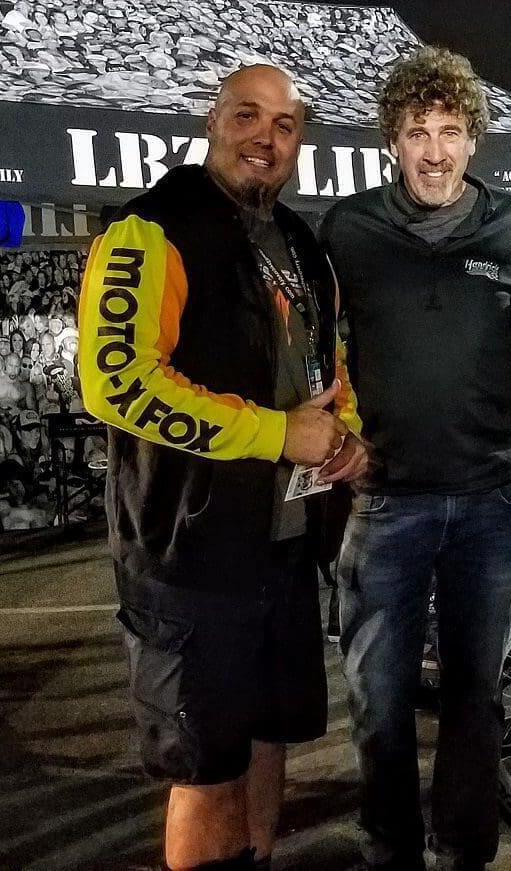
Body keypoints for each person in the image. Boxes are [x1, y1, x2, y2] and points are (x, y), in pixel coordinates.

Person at [78, 64, 365, 871]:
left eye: (285, 124)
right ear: (213, 122)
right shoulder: (150, 229)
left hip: (282, 543)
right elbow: (117, 381)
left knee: (267, 737)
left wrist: (345, 435)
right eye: (248, 115)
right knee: (205, 767)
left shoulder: (302, 241)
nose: (265, 137)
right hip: (186, 553)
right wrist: (276, 434)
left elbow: (327, 364)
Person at [320, 46, 511, 871]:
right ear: (392, 139)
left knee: (475, 695)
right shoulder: (347, 229)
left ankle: (467, 847)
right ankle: (390, 848)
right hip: (387, 498)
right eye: (416, 131)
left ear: (473, 139)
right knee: (378, 701)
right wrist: (324, 429)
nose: (433, 149)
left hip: (493, 495)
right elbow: (311, 345)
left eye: (450, 130)